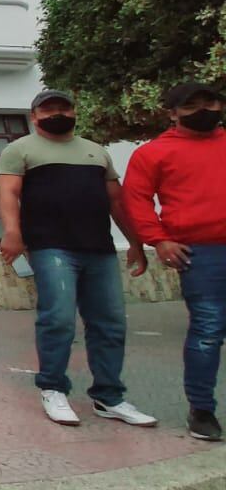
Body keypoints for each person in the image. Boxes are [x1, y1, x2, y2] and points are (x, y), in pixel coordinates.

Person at [0, 89, 157, 428]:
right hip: (50, 247)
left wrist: (136, 243)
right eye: (48, 109)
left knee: (110, 323)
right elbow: (8, 192)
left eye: (64, 107)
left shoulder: (96, 152)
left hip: (98, 248)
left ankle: (108, 396)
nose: (57, 113)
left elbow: (117, 201)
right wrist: (12, 232)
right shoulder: (19, 150)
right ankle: (53, 388)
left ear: (74, 111)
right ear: (34, 116)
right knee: (58, 319)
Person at [122, 82, 226, 441]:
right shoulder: (152, 154)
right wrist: (159, 240)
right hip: (201, 254)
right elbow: (135, 199)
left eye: (210, 101)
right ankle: (202, 411)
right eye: (192, 105)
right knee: (209, 331)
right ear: (172, 113)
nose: (204, 109)